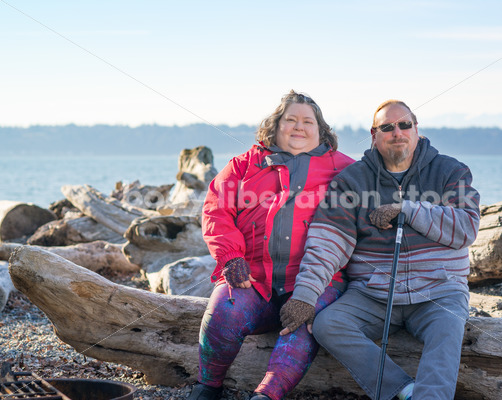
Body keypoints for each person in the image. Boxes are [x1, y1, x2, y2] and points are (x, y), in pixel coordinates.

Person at [280, 100, 480, 400]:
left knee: (448, 330)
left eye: (404, 125)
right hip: (374, 294)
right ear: (374, 135)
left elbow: (466, 228)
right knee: (327, 324)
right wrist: (305, 297)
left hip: (439, 291)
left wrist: (408, 210)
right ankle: (403, 390)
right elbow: (327, 243)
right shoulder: (352, 181)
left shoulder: (450, 171)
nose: (396, 132)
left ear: (417, 130)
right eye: (387, 127)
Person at [188, 90, 354, 400]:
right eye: (290, 120)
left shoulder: (345, 169)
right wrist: (230, 257)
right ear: (275, 126)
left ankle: (266, 395)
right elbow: (216, 210)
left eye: (308, 121)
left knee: (306, 325)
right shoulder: (244, 165)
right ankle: (207, 387)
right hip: (254, 278)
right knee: (225, 308)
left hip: (317, 283)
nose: (298, 127)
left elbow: (373, 205)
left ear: (321, 130)